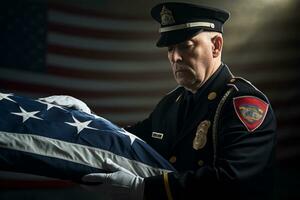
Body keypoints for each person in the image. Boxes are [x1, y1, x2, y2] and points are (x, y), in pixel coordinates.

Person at [44, 2, 277, 200]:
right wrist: (88, 119)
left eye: (186, 45)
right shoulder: (172, 102)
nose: (175, 57)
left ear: (216, 46)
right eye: (171, 48)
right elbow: (131, 140)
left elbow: (233, 179)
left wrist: (144, 189)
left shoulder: (242, 104)